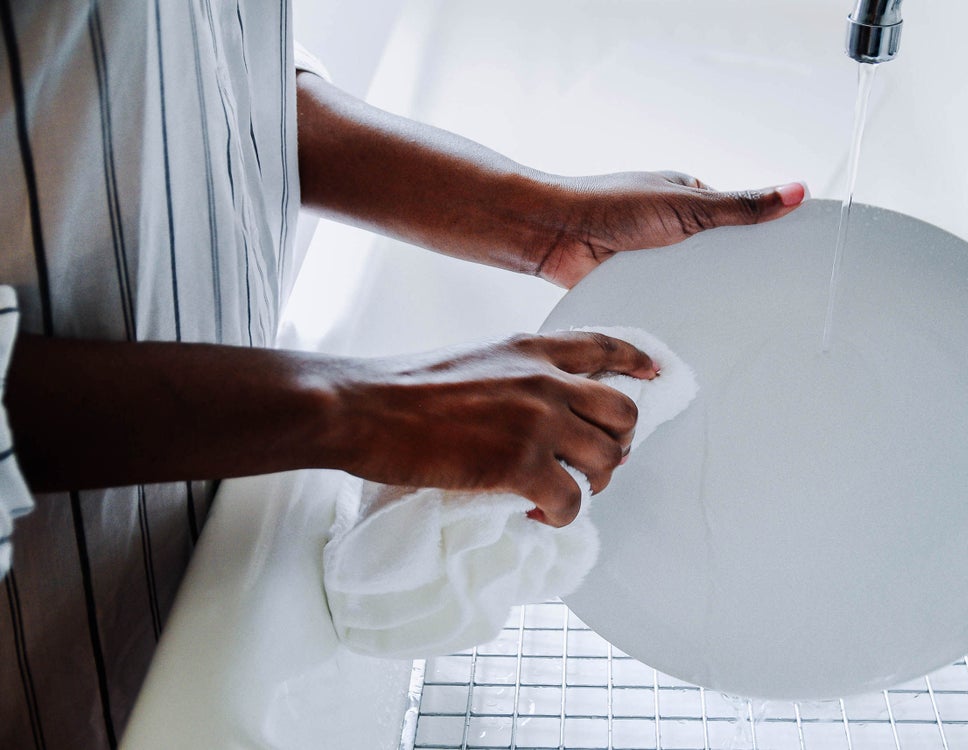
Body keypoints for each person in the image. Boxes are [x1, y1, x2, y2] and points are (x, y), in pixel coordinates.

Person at [0, 2, 805, 747]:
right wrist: (355, 407)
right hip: (43, 632)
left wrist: (541, 224)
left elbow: (193, 68)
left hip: (208, 499)